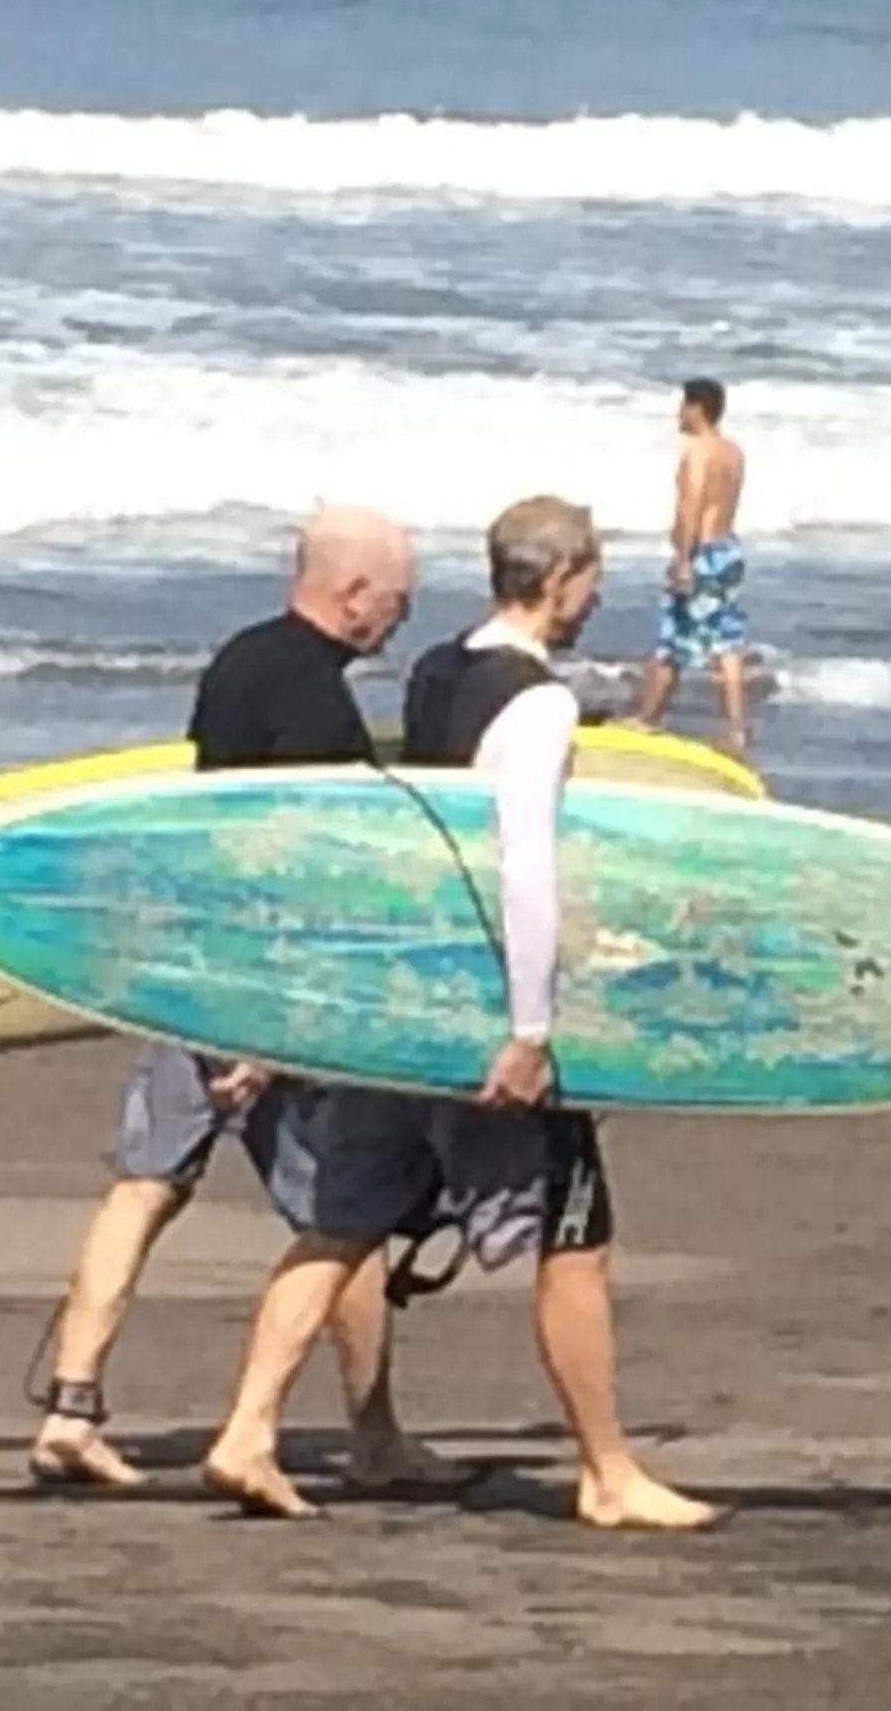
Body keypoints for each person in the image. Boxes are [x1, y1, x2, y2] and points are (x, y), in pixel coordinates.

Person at [199, 495, 717, 1530]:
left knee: (347, 1221)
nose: (598, 594)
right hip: (484, 1004)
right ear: (562, 579)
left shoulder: (436, 671)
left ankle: (248, 1428)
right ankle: (610, 1473)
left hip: (412, 1000)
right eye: (592, 576)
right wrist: (530, 1030)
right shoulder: (538, 704)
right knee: (576, 1238)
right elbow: (522, 866)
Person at [25, 504, 453, 1493]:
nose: (398, 621)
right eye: (397, 601)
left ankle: (70, 1409)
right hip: (262, 991)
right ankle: (375, 1439)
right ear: (354, 592)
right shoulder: (317, 711)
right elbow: (304, 875)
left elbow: (203, 823)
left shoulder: (238, 663)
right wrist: (263, 1036)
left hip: (182, 967)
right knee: (344, 1211)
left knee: (144, 1186)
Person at [630, 377, 751, 752]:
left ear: (698, 408)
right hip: (728, 549)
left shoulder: (698, 450)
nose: (678, 413)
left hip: (702, 552)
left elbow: (692, 503)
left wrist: (683, 558)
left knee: (672, 638)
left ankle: (646, 718)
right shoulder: (733, 451)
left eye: (683, 405)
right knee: (725, 642)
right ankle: (735, 728)